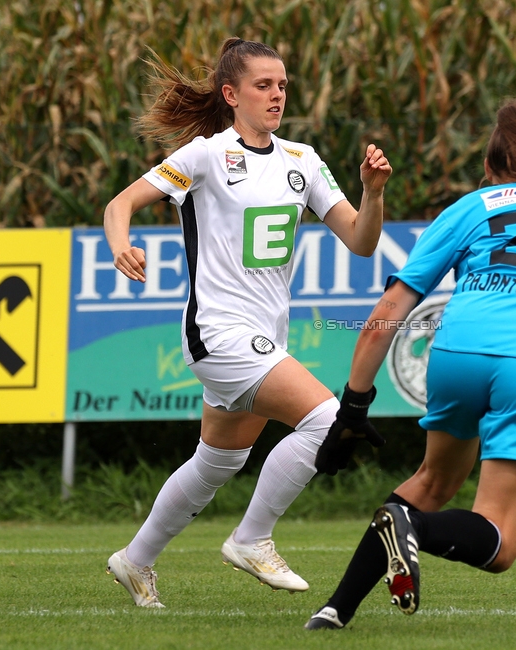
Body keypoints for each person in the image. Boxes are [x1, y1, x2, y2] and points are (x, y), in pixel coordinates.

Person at [304, 97, 516, 629]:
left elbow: (385, 316)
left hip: (459, 353)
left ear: (490, 168)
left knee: (432, 482)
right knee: (500, 542)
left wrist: (354, 407)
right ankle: (412, 531)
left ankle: (334, 610)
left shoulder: (471, 207)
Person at [102, 37, 391, 608]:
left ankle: (134, 562)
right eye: (264, 85)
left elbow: (361, 241)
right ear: (232, 94)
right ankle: (252, 538)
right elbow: (120, 206)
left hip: (262, 336)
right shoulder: (204, 157)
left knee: (218, 460)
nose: (277, 95)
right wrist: (121, 245)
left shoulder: (302, 162)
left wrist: (372, 192)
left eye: (282, 85)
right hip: (218, 331)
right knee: (327, 420)